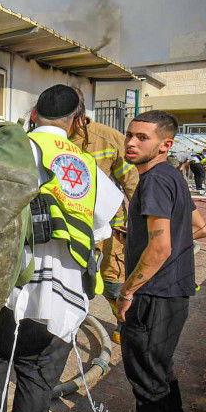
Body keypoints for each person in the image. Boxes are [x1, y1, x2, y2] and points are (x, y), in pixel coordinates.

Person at [0, 85, 123, 412]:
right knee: (37, 378)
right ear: (76, 120)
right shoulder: (86, 166)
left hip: (6, 288)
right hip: (60, 299)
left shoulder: (12, 150)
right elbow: (104, 221)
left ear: (34, 113)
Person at [89, 110, 206, 412]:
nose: (131, 142)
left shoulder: (155, 181)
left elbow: (160, 246)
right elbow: (200, 228)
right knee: (161, 378)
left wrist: (127, 291)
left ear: (165, 144)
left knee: (147, 383)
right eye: (129, 135)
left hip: (154, 297)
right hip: (174, 294)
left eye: (143, 137)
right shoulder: (173, 175)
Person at [71, 87, 139, 342]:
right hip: (71, 225)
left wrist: (142, 223)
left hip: (110, 226)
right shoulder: (51, 138)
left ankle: (124, 320)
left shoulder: (108, 138)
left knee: (113, 280)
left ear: (79, 113)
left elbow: (133, 182)